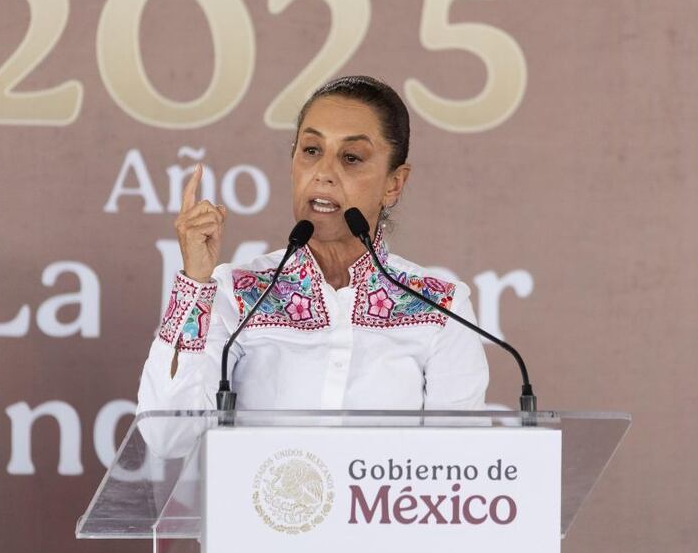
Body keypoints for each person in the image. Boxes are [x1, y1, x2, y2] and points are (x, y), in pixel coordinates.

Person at [137, 76, 488, 451]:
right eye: (310, 150)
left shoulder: (441, 307)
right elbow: (167, 438)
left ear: (394, 184)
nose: (323, 172)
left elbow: (455, 465)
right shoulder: (237, 292)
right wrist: (195, 280)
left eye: (351, 158)